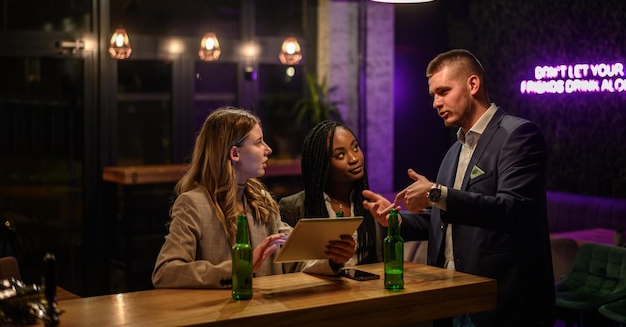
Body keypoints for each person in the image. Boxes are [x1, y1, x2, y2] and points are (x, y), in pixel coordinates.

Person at [363, 49, 555, 327]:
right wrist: (395, 220)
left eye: (443, 91)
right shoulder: (454, 151)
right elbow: (443, 221)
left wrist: (434, 193)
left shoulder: (518, 136)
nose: (435, 103)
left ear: (473, 85)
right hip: (449, 296)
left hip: (499, 301)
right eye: (432, 95)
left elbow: (513, 210)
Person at [152, 107, 356, 288]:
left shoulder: (261, 200)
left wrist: (333, 259)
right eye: (259, 142)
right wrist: (237, 267)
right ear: (235, 153)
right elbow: (165, 272)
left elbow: (297, 258)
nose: (268, 149)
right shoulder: (194, 204)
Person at [279, 120, 383, 273]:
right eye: (340, 155)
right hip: (319, 293)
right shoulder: (293, 207)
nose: (354, 158)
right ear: (321, 165)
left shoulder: (372, 204)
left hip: (368, 291)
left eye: (355, 147)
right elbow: (290, 267)